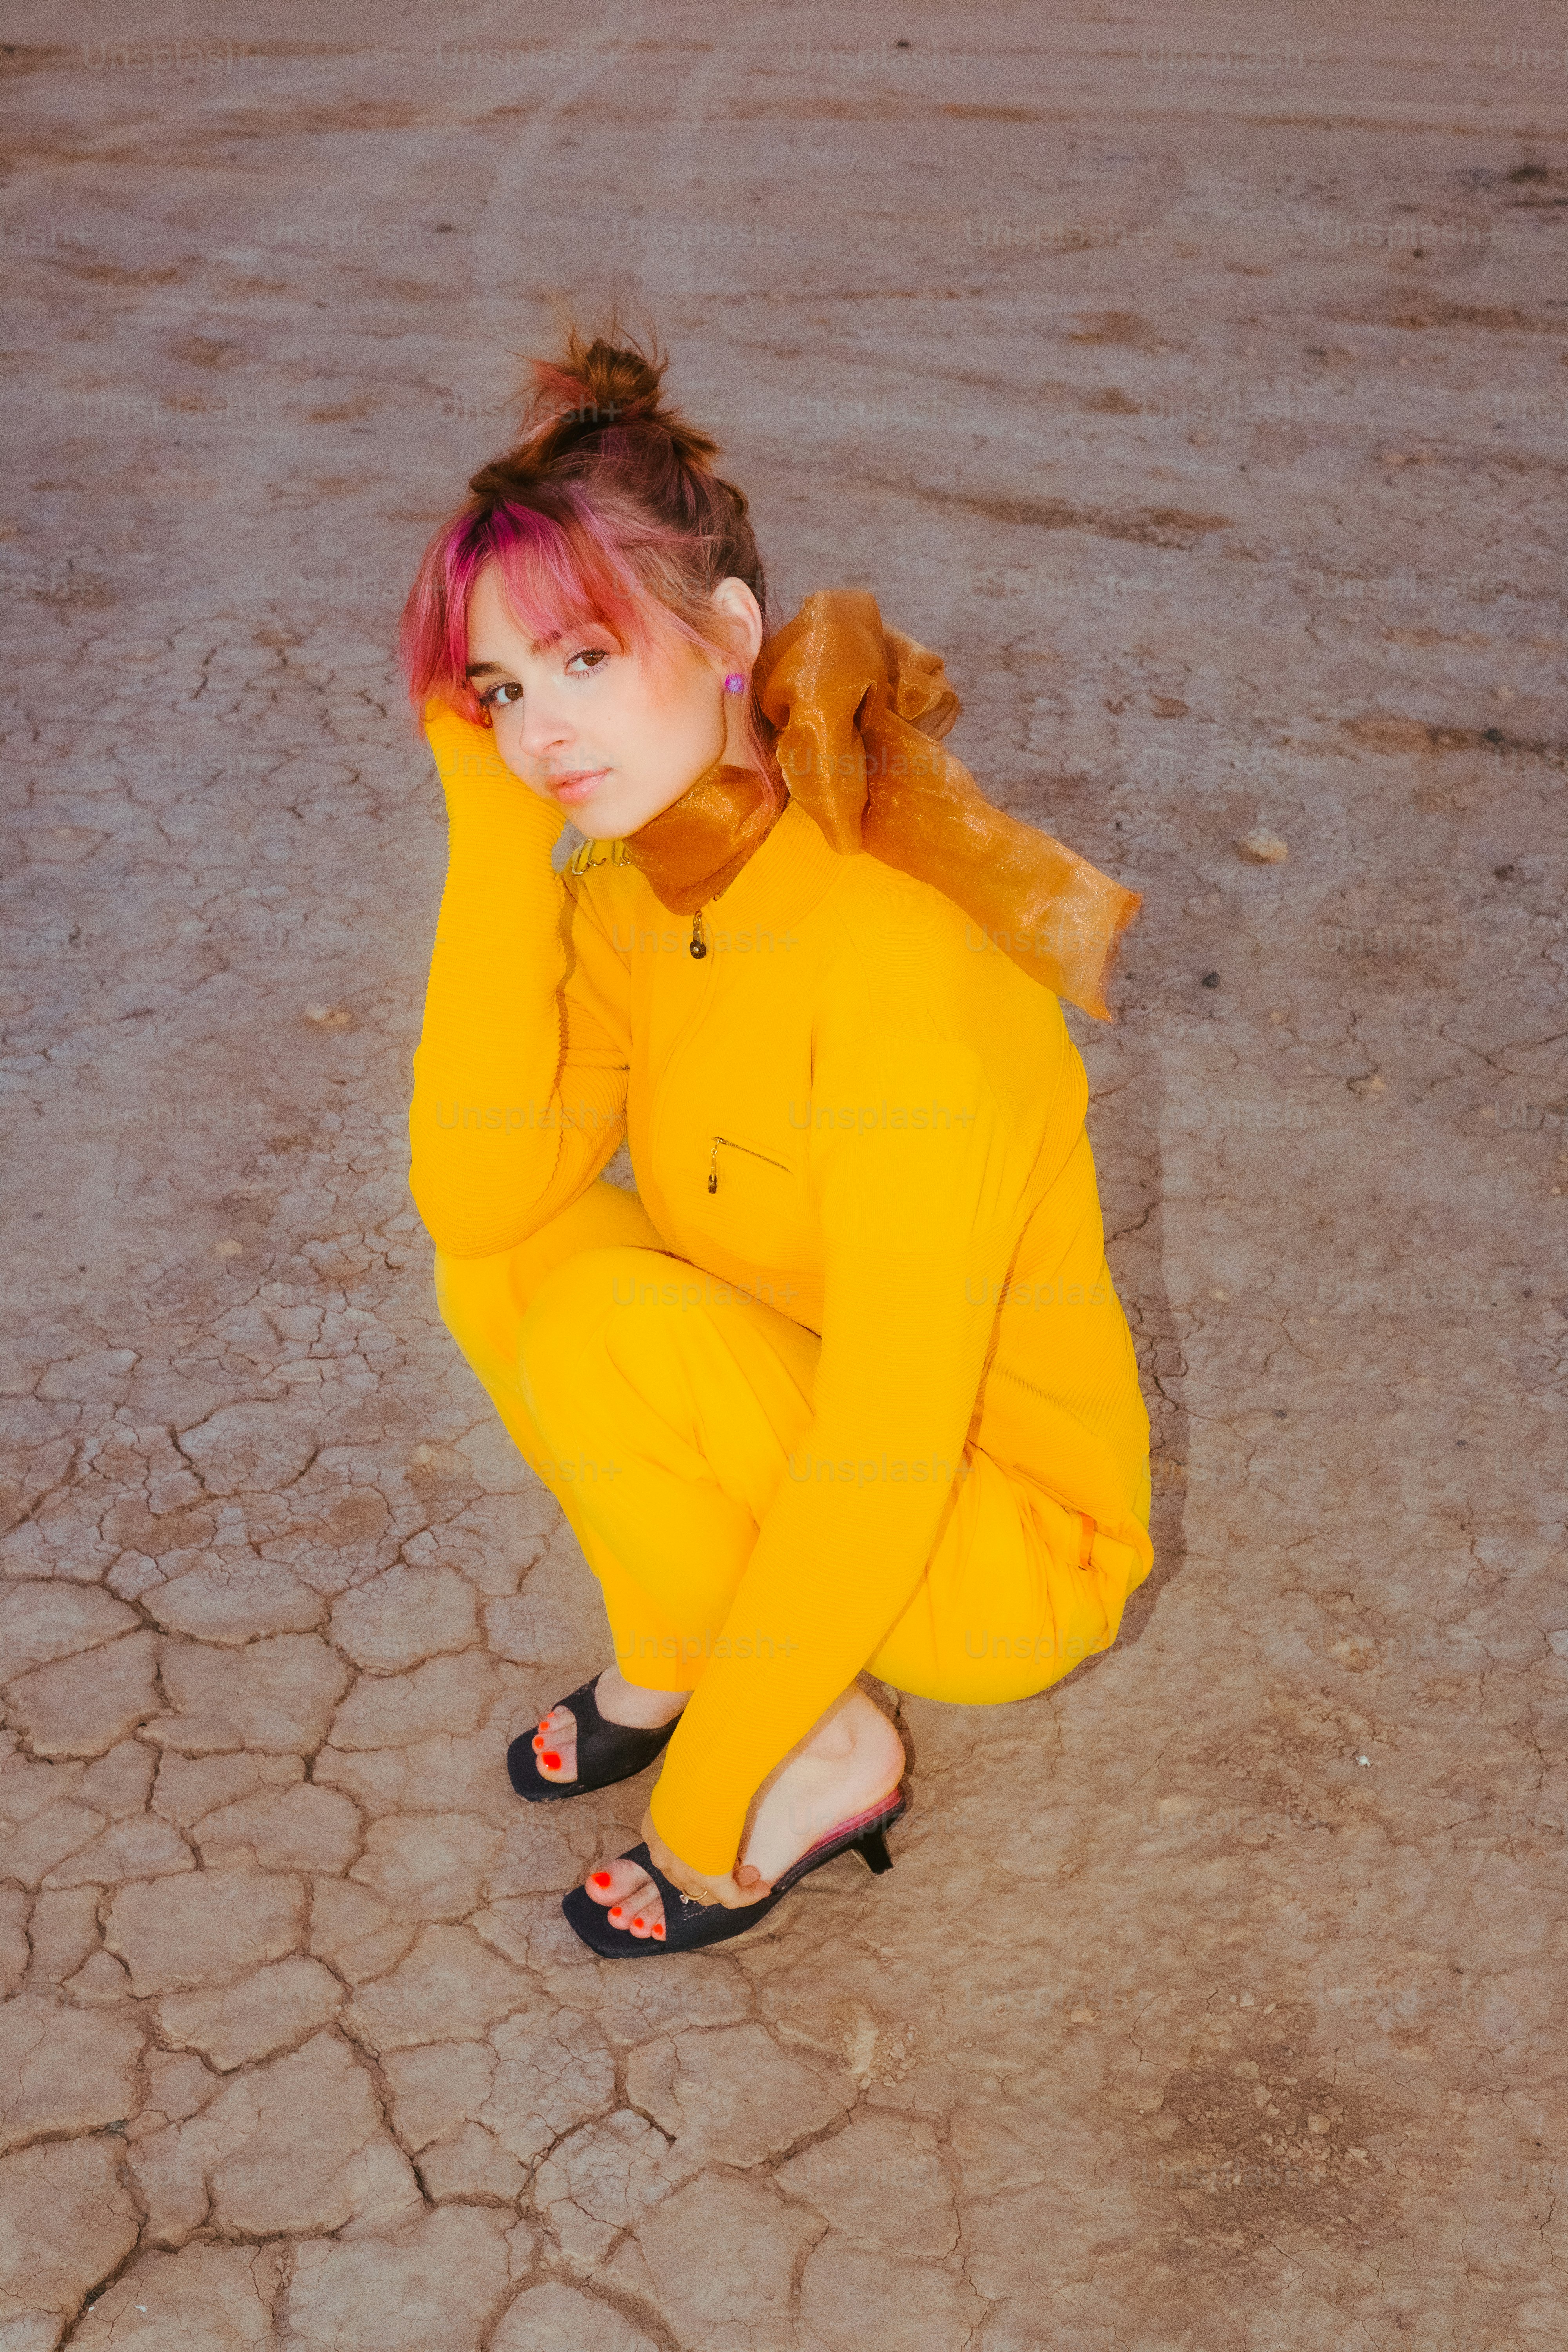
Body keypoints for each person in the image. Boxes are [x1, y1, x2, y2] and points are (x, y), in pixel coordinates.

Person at [399, 323, 1153, 1958]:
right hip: (804, 1397)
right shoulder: (640, 888)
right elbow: (472, 1193)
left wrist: (707, 1804)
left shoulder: (899, 974)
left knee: (610, 1317)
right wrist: (484, 840)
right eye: (501, 692)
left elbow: (884, 1444)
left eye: (585, 663)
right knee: (513, 1258)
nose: (541, 735)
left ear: (729, 632)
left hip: (991, 1530)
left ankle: (820, 1748)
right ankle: (678, 1644)